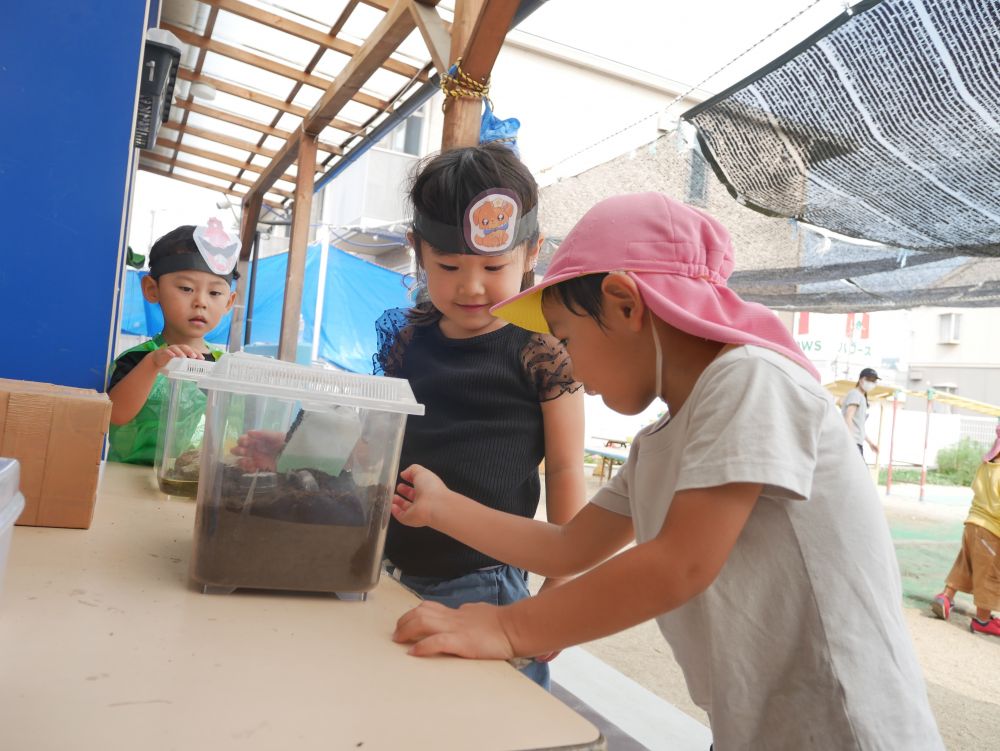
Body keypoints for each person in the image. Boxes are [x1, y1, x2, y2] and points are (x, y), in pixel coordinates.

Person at [390, 193, 942, 748]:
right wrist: (441, 506)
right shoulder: (660, 443)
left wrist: (508, 627)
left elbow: (680, 563)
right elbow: (566, 548)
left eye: (565, 338)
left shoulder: (750, 379)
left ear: (625, 304)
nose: (571, 366)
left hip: (850, 727)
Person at [369, 143, 586, 689]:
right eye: (448, 266)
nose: (471, 286)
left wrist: (560, 586)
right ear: (418, 251)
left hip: (485, 581)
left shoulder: (544, 348)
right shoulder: (407, 338)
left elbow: (564, 469)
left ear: (531, 251)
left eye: (493, 266)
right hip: (388, 565)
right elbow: (377, 434)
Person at [107, 222, 238, 464]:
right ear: (151, 289)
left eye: (215, 293)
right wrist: (153, 364)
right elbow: (114, 415)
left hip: (192, 483)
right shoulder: (137, 359)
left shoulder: (225, 369)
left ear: (229, 302)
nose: (201, 302)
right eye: (186, 288)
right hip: (128, 481)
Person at [931, 425, 1000, 637]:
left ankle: (946, 597)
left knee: (966, 565)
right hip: (990, 530)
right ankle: (983, 619)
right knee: (989, 574)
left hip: (972, 525)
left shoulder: (986, 466)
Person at [841, 367, 880, 458]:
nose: (871, 383)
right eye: (869, 380)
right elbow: (848, 417)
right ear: (861, 380)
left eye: (874, 381)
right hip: (853, 443)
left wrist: (870, 443)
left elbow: (858, 426)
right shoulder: (855, 394)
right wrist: (850, 440)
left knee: (855, 471)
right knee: (859, 471)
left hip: (856, 442)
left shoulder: (861, 397)